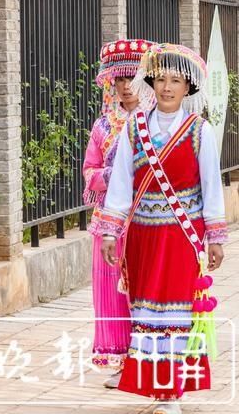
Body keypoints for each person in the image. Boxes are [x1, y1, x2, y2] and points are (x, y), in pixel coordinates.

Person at [93, 42, 228, 413]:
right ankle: (155, 385)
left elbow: (210, 186)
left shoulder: (199, 131)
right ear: (150, 82)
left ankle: (172, 391)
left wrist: (214, 237)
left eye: (176, 80)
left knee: (177, 310)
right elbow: (121, 183)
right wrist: (110, 231)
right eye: (161, 79)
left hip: (182, 236)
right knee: (146, 310)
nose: (167, 87)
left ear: (189, 88)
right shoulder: (134, 128)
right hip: (143, 235)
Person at [83, 39, 155, 388]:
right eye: (120, 80)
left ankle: (152, 358)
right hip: (110, 221)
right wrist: (115, 174)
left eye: (133, 78)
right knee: (113, 292)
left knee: (147, 289)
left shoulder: (160, 124)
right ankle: (123, 361)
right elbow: (90, 172)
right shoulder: (103, 126)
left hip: (149, 219)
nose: (126, 87)